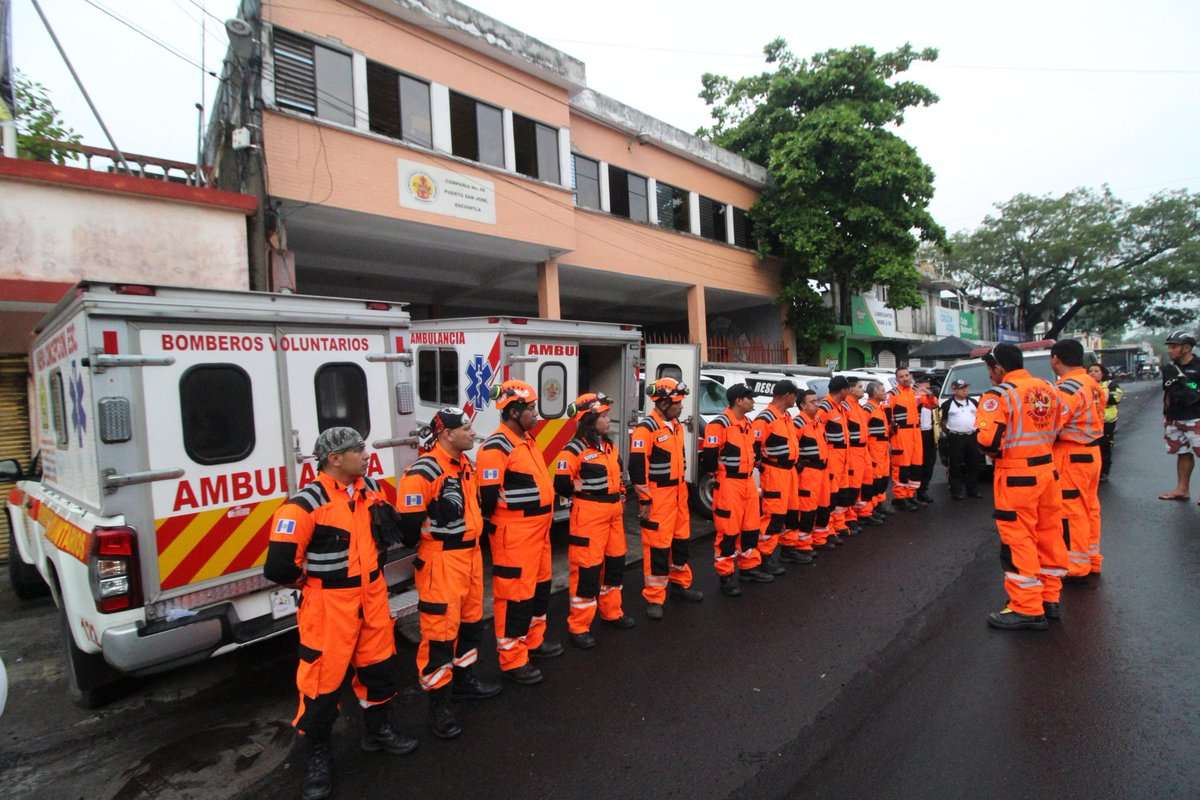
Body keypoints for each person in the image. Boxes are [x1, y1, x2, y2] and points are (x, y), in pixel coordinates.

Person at [265, 427, 417, 800]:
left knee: (380, 670)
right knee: (321, 686)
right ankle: (318, 756)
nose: (366, 456)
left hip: (373, 597)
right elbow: (279, 567)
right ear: (334, 459)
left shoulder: (372, 492)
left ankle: (377, 731)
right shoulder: (303, 506)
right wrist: (316, 586)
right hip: (329, 606)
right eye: (357, 451)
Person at [397, 408, 501, 740]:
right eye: (466, 428)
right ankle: (439, 708)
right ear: (446, 434)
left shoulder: (464, 465)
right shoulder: (423, 472)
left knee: (471, 625)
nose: (473, 433)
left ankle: (464, 682)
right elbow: (408, 529)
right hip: (441, 562)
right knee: (440, 637)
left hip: (470, 557)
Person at [975, 344, 1069, 631]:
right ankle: (1050, 599)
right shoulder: (1049, 389)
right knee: (1050, 535)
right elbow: (1062, 423)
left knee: (1019, 540)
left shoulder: (999, 395)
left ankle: (1027, 607)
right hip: (1048, 472)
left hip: (1016, 476)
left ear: (999, 368)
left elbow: (987, 441)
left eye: (990, 369)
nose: (990, 375)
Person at [478, 380, 561, 686]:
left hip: (538, 532)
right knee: (515, 597)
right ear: (513, 412)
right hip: (514, 534)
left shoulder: (526, 440)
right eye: (530, 409)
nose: (536, 414)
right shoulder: (495, 447)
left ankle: (533, 642)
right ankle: (512, 658)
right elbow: (487, 498)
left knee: (539, 590)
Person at [554, 393, 637, 645]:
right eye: (602, 416)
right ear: (589, 420)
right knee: (587, 571)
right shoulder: (573, 450)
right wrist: (583, 490)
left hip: (613, 513)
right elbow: (561, 485)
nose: (607, 419)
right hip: (588, 514)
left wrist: (620, 494)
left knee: (614, 565)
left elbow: (619, 476)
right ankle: (579, 627)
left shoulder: (609, 447)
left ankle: (612, 612)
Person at [630, 377, 703, 620]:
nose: (681, 407)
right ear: (662, 403)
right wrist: (644, 500)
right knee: (658, 547)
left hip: (678, 493)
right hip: (658, 496)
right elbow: (637, 468)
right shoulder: (646, 429)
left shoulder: (676, 426)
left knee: (681, 541)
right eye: (678, 402)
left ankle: (681, 583)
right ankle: (654, 596)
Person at [702, 383, 773, 595]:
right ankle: (725, 576)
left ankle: (749, 567)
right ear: (739, 401)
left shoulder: (748, 423)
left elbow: (754, 450)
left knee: (751, 527)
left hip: (747, 483)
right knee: (728, 531)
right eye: (749, 398)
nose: (753, 402)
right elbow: (709, 458)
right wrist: (719, 477)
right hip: (729, 484)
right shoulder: (719, 425)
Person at [1050, 340, 1105, 580]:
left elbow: (1053, 424)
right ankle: (1091, 559)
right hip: (1091, 453)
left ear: (1056, 359)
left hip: (1071, 454)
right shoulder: (1092, 384)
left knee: (1072, 511)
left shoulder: (1068, 389)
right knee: (1090, 507)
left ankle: (1076, 564)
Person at [752, 379, 801, 569]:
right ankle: (764, 556)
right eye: (794, 395)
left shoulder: (786, 417)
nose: (795, 399)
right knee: (773, 516)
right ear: (787, 395)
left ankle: (788, 549)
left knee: (791, 513)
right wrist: (762, 466)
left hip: (789, 473)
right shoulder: (765, 419)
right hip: (774, 473)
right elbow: (753, 446)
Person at [1158, 330, 1200, 503]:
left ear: (1187, 348)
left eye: (1174, 347)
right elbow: (1168, 391)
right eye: (1170, 347)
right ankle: (1182, 489)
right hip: (1175, 418)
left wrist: (1185, 381)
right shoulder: (1169, 368)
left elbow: (1195, 386)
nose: (1170, 350)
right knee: (1182, 452)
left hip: (1196, 417)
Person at [886, 368, 933, 511]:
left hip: (916, 432)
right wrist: (889, 434)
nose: (905, 378)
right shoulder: (893, 394)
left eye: (907, 375)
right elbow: (886, 414)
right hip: (901, 433)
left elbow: (932, 405)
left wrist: (930, 394)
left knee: (916, 465)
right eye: (901, 376)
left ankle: (911, 495)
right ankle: (900, 498)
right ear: (897, 379)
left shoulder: (915, 393)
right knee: (902, 467)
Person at [791, 388, 826, 561]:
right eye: (813, 402)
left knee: (814, 509)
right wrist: (799, 465)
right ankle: (801, 545)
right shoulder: (798, 423)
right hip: (807, 473)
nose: (817, 404)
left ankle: (808, 541)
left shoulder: (817, 421)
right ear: (803, 405)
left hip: (819, 472)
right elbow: (793, 446)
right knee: (805, 510)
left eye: (817, 400)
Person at [816, 377, 853, 542]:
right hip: (832, 455)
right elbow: (817, 432)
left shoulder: (840, 407)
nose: (849, 392)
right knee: (830, 495)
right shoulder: (825, 407)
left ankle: (839, 524)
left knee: (841, 493)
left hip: (843, 455)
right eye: (848, 389)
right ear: (843, 390)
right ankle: (828, 529)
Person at [841, 378, 880, 527]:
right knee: (853, 485)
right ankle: (851, 517)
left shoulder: (858, 406)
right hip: (853, 451)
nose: (863, 390)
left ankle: (864, 512)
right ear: (851, 390)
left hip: (864, 449)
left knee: (867, 481)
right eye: (859, 387)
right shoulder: (846, 407)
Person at [939, 379, 983, 500]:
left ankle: (972, 490)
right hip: (955, 438)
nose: (965, 390)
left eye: (966, 388)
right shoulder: (947, 404)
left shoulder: (974, 402)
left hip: (972, 436)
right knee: (955, 465)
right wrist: (948, 433)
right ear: (954, 390)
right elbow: (942, 420)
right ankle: (956, 491)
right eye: (962, 388)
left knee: (973, 464)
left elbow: (980, 417)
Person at [862, 381, 893, 518]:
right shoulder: (868, 409)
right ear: (874, 393)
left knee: (883, 479)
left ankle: (879, 504)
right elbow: (863, 431)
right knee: (874, 480)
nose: (884, 392)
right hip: (874, 450)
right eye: (882, 390)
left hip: (882, 449)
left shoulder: (879, 408)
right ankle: (871, 508)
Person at [1088, 363, 1122, 481]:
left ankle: (1104, 472)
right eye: (1090, 371)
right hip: (1090, 422)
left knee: (1105, 447)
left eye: (1096, 371)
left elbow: (1115, 398)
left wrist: (1100, 395)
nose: (1093, 373)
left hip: (1106, 421)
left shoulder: (1110, 384)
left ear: (1102, 373)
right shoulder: (1085, 385)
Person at [915, 378, 939, 505]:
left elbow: (935, 405)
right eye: (924, 387)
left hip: (930, 433)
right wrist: (919, 396)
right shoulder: (912, 398)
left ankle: (923, 490)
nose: (926, 390)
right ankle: (913, 492)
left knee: (929, 463)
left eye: (928, 388)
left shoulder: (930, 398)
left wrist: (928, 394)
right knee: (917, 465)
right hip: (916, 434)